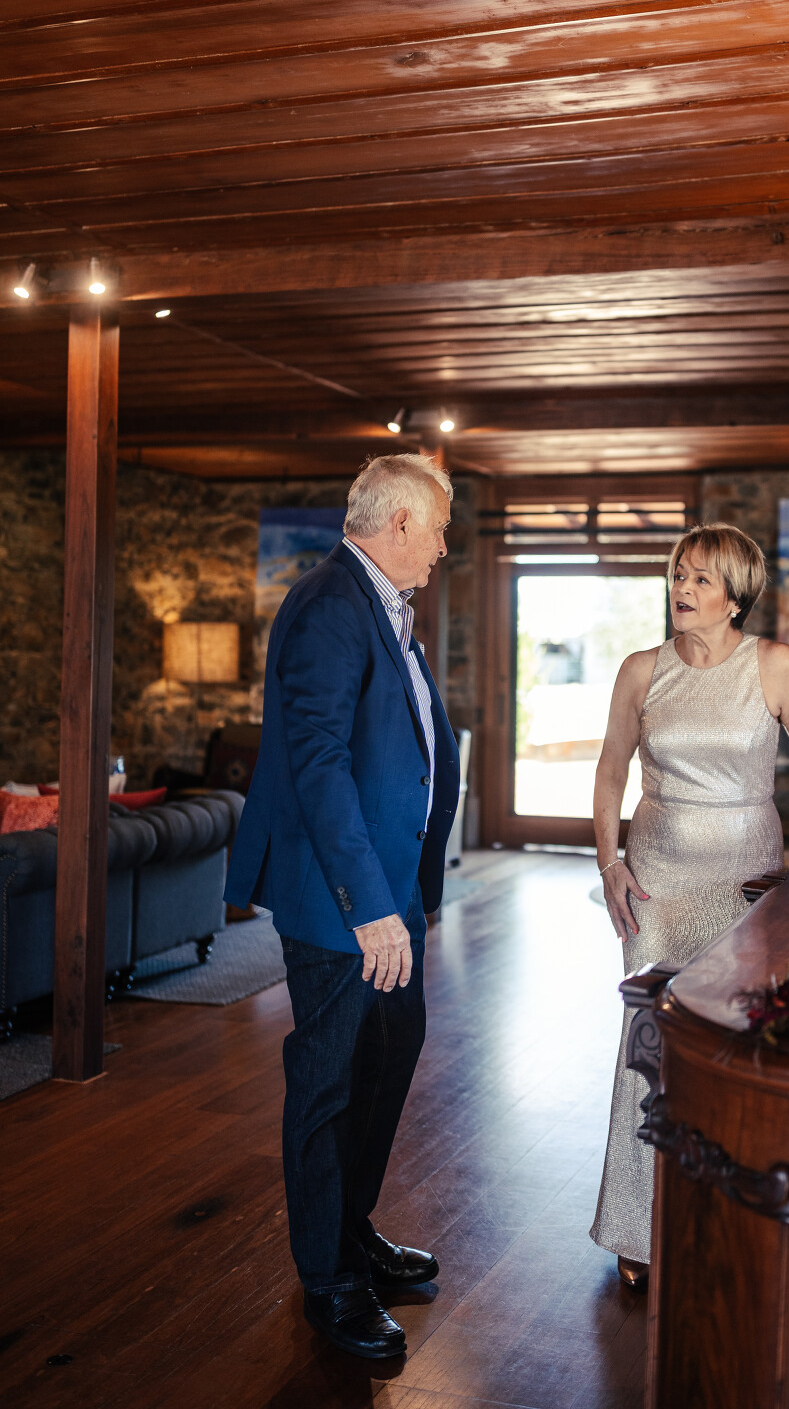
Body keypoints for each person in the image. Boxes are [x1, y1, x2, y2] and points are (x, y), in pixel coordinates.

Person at [588, 523, 789, 1287]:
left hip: (742, 877)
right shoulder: (640, 669)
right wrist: (608, 862)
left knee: (735, 1036)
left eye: (699, 578)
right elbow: (609, 768)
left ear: (735, 597)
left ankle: (724, 1218)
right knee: (649, 1035)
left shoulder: (774, 665)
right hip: (657, 878)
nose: (681, 588)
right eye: (678, 574)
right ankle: (637, 1227)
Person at [225, 453, 460, 1359]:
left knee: (386, 1060)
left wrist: (409, 895)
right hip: (343, 903)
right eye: (437, 529)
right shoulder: (330, 604)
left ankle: (350, 1233)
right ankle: (327, 1280)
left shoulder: (383, 604)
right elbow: (318, 765)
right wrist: (367, 906)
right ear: (399, 523)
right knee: (328, 1083)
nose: (441, 548)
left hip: (391, 894)